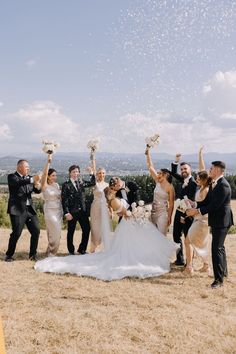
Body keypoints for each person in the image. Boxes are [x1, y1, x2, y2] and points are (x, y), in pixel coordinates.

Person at [34, 187, 178, 281]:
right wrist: (133, 212)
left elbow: (124, 201)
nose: (114, 190)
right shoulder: (114, 201)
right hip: (128, 224)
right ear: (110, 194)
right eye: (112, 191)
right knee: (128, 249)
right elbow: (124, 213)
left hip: (130, 224)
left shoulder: (115, 198)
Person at [187, 161, 234, 288]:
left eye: (211, 168)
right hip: (218, 220)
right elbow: (207, 201)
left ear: (218, 170)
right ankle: (223, 273)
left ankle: (218, 281)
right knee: (220, 248)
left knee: (216, 249)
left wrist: (196, 211)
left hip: (222, 221)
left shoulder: (223, 185)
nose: (209, 170)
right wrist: (195, 204)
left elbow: (214, 206)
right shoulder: (215, 184)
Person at [5, 159, 41, 262]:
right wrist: (32, 179)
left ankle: (33, 255)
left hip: (30, 210)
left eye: (28, 167)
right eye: (26, 167)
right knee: (16, 233)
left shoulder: (29, 178)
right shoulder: (12, 177)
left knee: (36, 231)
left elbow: (37, 191)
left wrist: (38, 184)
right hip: (17, 210)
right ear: (19, 167)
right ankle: (9, 255)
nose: (28, 169)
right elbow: (18, 183)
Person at [183, 147, 211, 276]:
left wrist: (194, 210)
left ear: (204, 179)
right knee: (200, 243)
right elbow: (199, 203)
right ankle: (206, 266)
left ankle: (189, 267)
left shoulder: (206, 190)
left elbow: (205, 206)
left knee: (188, 241)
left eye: (198, 179)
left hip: (201, 220)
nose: (197, 180)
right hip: (198, 219)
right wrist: (191, 203)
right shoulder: (201, 188)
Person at [61, 164, 96, 255]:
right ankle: (71, 251)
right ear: (70, 173)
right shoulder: (66, 184)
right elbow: (64, 200)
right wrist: (66, 213)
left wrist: (91, 173)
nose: (75, 173)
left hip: (83, 212)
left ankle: (82, 249)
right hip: (72, 212)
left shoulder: (81, 182)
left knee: (87, 229)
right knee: (71, 231)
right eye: (73, 172)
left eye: (77, 172)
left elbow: (93, 183)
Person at [171, 154, 197, 265]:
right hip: (179, 212)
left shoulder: (193, 183)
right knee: (176, 235)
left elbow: (190, 202)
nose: (183, 170)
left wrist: (183, 216)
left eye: (185, 168)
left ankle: (189, 262)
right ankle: (180, 259)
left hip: (187, 215)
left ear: (190, 169)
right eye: (181, 169)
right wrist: (176, 161)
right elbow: (173, 173)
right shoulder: (184, 180)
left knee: (187, 237)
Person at [145, 146, 175, 235]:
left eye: (160, 173)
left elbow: (172, 204)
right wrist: (148, 153)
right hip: (153, 212)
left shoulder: (170, 188)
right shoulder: (157, 181)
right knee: (153, 236)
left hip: (163, 213)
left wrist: (169, 217)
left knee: (162, 236)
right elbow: (150, 166)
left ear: (165, 175)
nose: (157, 174)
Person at [41, 153, 63, 256]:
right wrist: (48, 161)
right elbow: (44, 174)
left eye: (56, 175)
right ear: (48, 177)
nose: (55, 177)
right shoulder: (44, 185)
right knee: (53, 232)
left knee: (57, 234)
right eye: (53, 175)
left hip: (59, 211)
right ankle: (51, 253)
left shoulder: (57, 185)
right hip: (50, 211)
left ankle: (50, 251)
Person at [90, 165, 109, 253]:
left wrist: (111, 210)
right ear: (97, 174)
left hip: (104, 207)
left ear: (105, 174)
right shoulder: (94, 184)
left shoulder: (107, 185)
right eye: (100, 173)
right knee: (95, 227)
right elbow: (93, 171)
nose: (101, 174)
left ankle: (102, 248)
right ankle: (93, 247)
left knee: (103, 227)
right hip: (95, 207)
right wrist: (93, 156)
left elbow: (109, 199)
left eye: (103, 173)